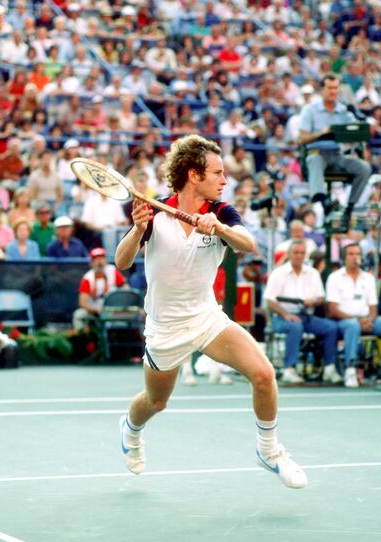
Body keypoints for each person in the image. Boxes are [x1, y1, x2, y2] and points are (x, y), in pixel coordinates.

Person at [114, 135, 307, 489]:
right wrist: (139, 229)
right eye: (217, 173)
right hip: (165, 327)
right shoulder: (155, 211)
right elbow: (122, 261)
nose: (224, 180)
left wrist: (219, 228)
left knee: (264, 374)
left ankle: (269, 449)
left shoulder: (222, 211)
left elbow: (247, 244)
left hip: (206, 318)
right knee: (156, 402)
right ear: (193, 174)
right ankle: (131, 430)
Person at [326, 243, 381, 388]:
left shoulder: (368, 278)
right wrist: (356, 320)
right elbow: (332, 309)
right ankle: (350, 369)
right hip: (344, 322)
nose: (355, 257)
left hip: (367, 321)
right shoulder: (334, 277)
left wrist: (369, 319)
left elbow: (373, 308)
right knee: (353, 326)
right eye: (351, 254)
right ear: (343, 258)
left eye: (358, 254)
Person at [297, 73, 371, 223]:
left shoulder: (343, 111)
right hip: (317, 152)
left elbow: (356, 129)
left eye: (336, 88)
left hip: (337, 154)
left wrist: (356, 130)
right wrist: (323, 132)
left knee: (364, 168)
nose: (333, 92)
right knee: (314, 159)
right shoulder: (310, 110)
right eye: (330, 88)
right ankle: (323, 201)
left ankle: (349, 207)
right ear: (322, 89)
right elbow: (301, 139)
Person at [264, 239, 340, 385]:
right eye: (296, 252)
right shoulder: (278, 273)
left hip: (306, 315)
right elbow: (270, 301)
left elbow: (320, 297)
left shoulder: (313, 273)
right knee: (295, 326)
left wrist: (313, 301)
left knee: (331, 327)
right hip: (281, 316)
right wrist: (286, 315)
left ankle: (330, 368)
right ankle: (289, 369)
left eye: (302, 253)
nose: (299, 256)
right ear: (289, 254)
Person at [72, 247, 127, 329]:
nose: (99, 262)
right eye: (96, 259)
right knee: (79, 315)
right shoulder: (87, 278)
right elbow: (82, 303)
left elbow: (125, 288)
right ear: (91, 263)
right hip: (95, 310)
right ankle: (83, 339)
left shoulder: (112, 270)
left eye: (102, 258)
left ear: (106, 260)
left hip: (113, 308)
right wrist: (96, 310)